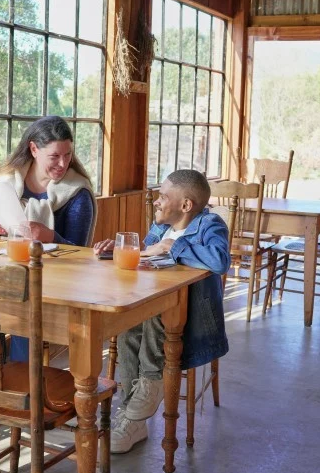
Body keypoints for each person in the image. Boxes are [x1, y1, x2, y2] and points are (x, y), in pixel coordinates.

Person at [93, 169, 231, 454]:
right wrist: (111, 252)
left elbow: (220, 261)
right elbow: (143, 261)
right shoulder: (159, 228)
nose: (156, 201)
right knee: (128, 322)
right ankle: (134, 416)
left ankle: (140, 407)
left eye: (163, 196)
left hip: (190, 322)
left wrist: (173, 245)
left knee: (157, 314)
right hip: (154, 311)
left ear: (185, 205)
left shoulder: (210, 225)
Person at [0, 116, 97, 361]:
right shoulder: (6, 182)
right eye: (54, 156)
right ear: (33, 149)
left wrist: (50, 236)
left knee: (22, 314)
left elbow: (81, 258)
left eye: (67, 155)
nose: (63, 163)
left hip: (52, 286)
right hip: (5, 276)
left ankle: (23, 388)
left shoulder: (77, 193)